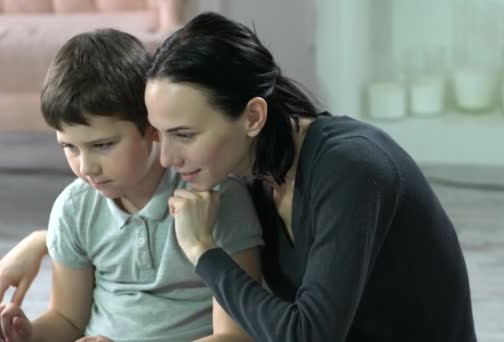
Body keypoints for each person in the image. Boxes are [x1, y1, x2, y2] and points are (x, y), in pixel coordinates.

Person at [142, 12, 477, 342]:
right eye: (159, 134)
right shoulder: (250, 177)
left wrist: (202, 249)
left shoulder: (351, 168)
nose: (168, 158)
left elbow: (308, 335)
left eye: (184, 135)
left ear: (253, 117)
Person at [0, 28, 263, 342]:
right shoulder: (75, 208)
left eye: (103, 145)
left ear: (151, 127)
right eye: (70, 147)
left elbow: (236, 336)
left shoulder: (216, 199)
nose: (85, 168)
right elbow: (67, 319)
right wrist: (27, 333)